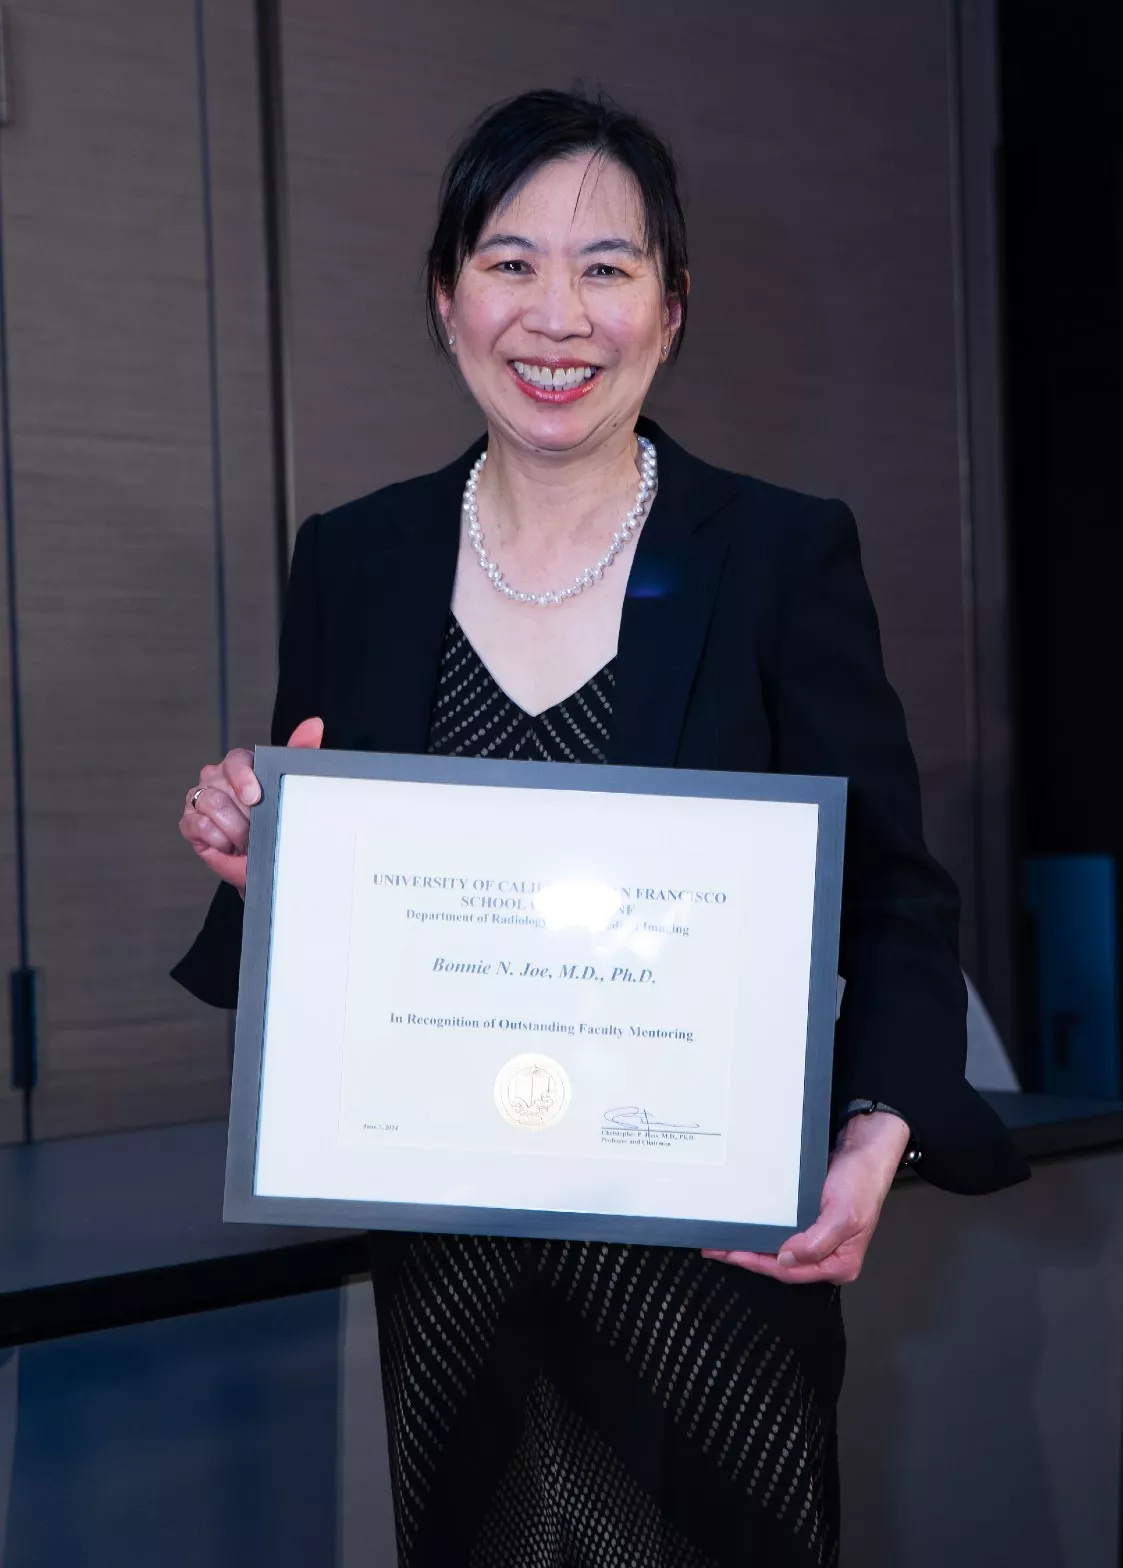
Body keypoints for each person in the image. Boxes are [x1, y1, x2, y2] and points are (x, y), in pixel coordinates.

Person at [173, 88, 1028, 1568]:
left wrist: (878, 1133)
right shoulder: (358, 563)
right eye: (508, 263)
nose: (553, 315)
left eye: (606, 267)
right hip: (453, 1272)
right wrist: (263, 868)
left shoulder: (772, 552)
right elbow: (337, 935)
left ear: (670, 310)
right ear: (444, 297)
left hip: (711, 1272)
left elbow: (892, 894)